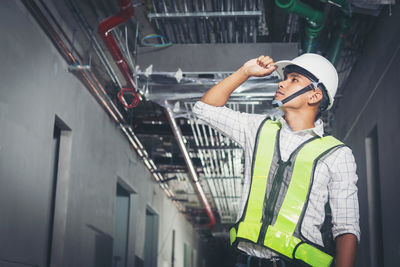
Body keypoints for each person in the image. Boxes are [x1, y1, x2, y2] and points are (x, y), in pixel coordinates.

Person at [192, 54, 360, 267]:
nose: (282, 82)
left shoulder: (337, 154)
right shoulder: (258, 129)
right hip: (247, 261)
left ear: (314, 96)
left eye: (294, 79)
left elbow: (346, 228)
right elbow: (204, 109)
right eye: (285, 78)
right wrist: (244, 72)